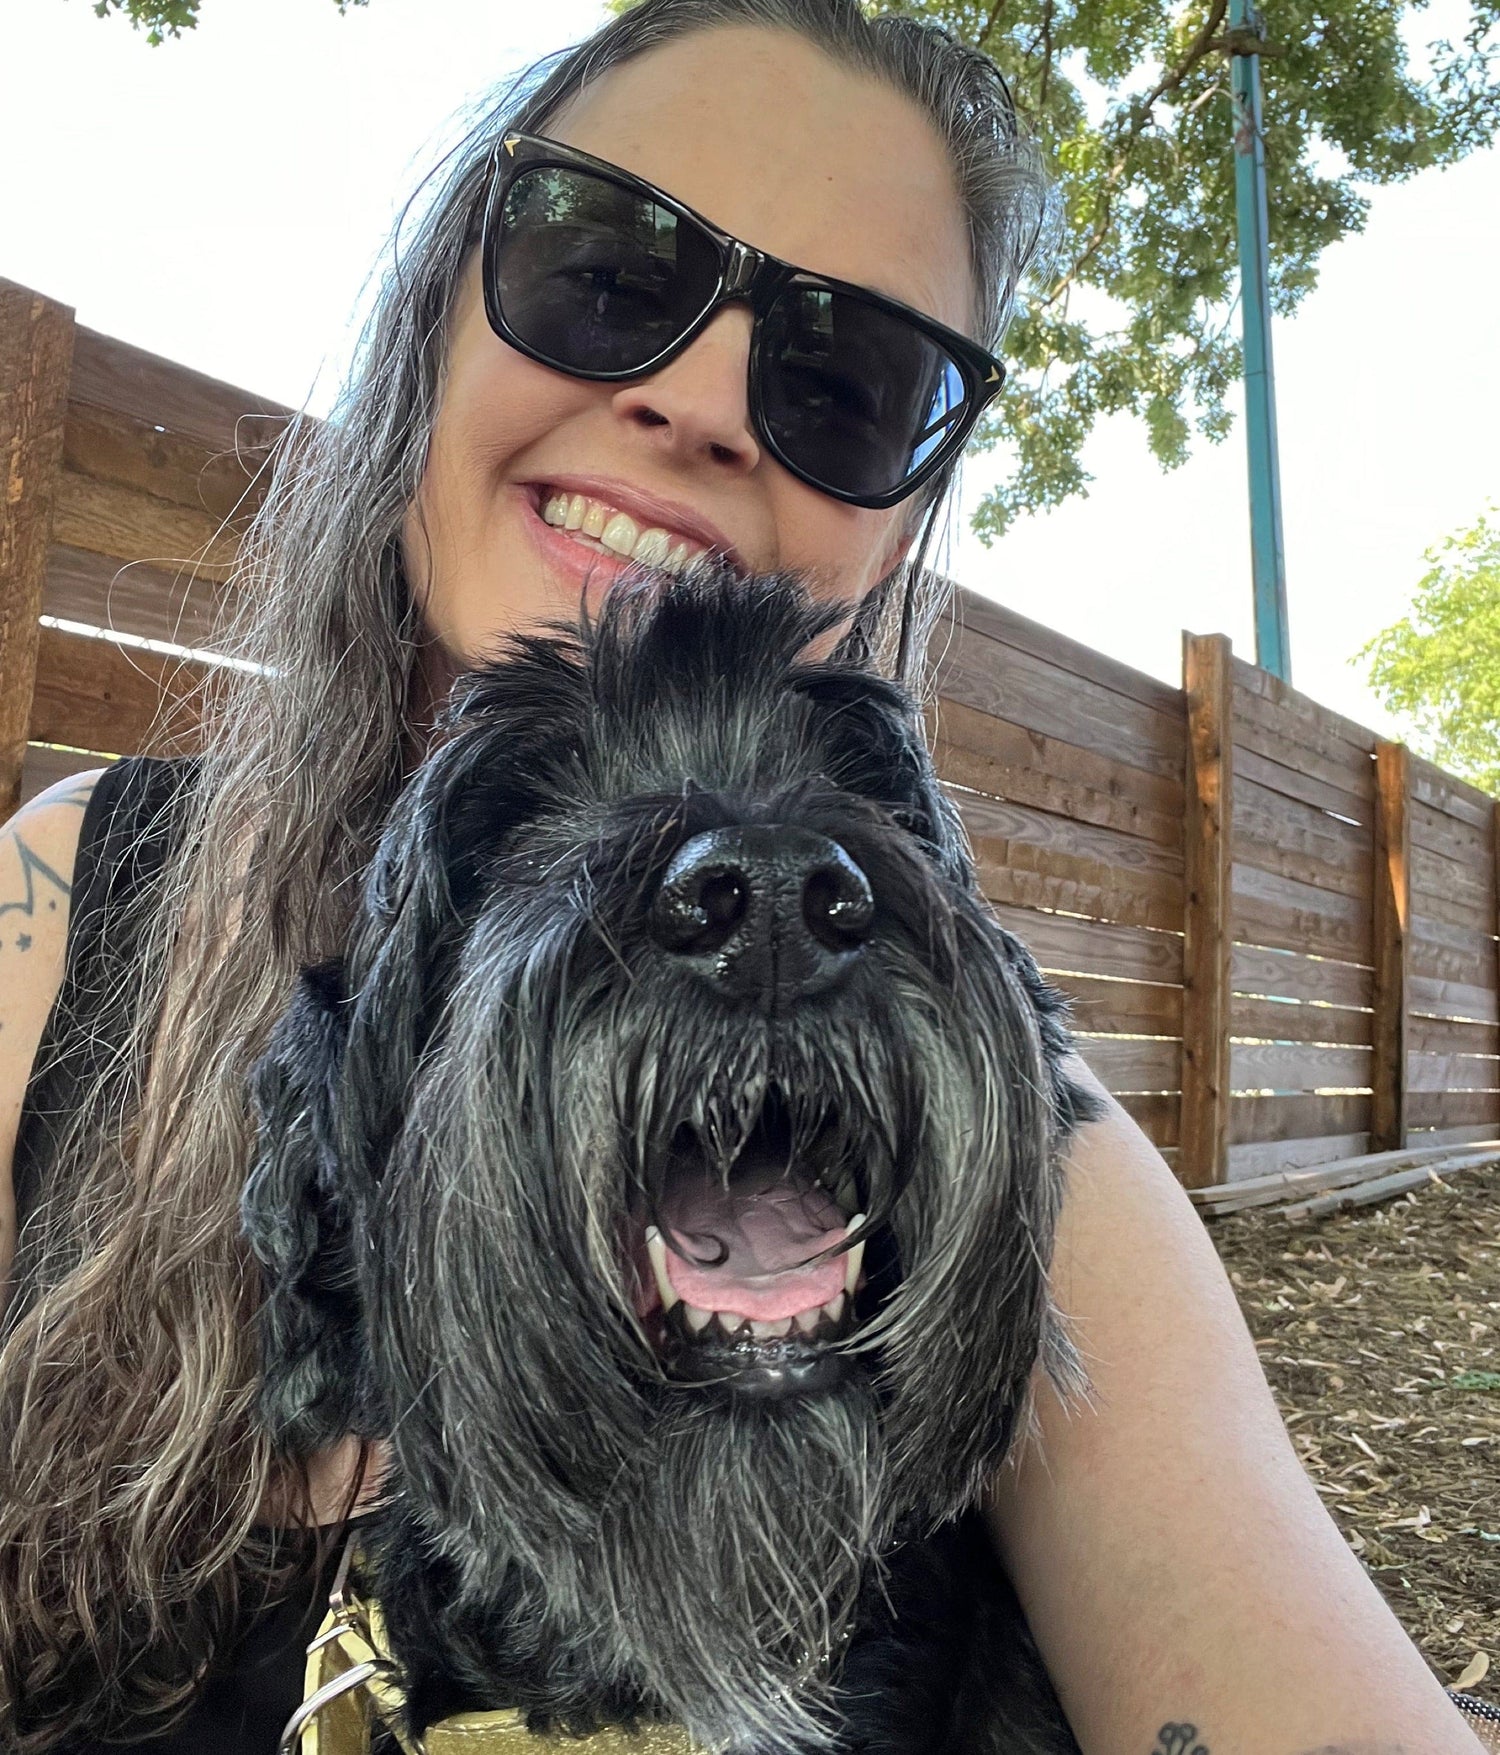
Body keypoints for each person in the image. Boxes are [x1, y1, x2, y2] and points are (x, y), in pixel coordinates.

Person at [0, 1, 1488, 1751]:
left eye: (845, 379)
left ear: (895, 520)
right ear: (435, 323)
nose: (701, 404)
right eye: (610, 273)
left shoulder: (1019, 1122)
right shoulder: (58, 901)